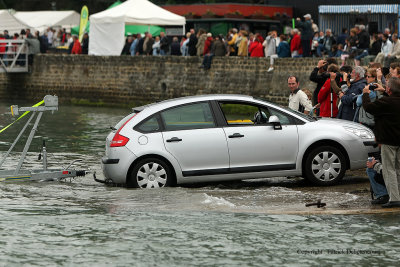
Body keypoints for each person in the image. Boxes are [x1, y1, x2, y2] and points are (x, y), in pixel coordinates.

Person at [362, 77, 400, 208]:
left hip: (388, 141)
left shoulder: (386, 102)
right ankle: (398, 195)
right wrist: (385, 91)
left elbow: (368, 107)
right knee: (398, 169)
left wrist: (366, 93)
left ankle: (394, 198)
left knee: (389, 170)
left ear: (389, 89)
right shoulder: (390, 100)